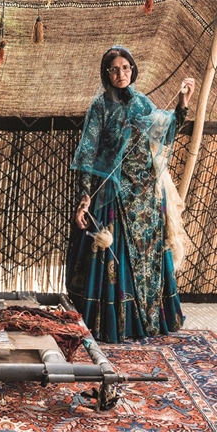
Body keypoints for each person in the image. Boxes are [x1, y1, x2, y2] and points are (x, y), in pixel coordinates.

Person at [65, 46, 195, 343]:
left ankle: (150, 320)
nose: (121, 74)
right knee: (114, 257)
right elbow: (87, 154)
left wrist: (182, 102)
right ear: (106, 74)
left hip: (146, 197)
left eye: (126, 68)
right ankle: (118, 325)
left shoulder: (141, 103)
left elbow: (166, 133)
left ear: (132, 70)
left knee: (149, 258)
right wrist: (85, 197)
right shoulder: (100, 107)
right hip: (113, 193)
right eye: (114, 69)